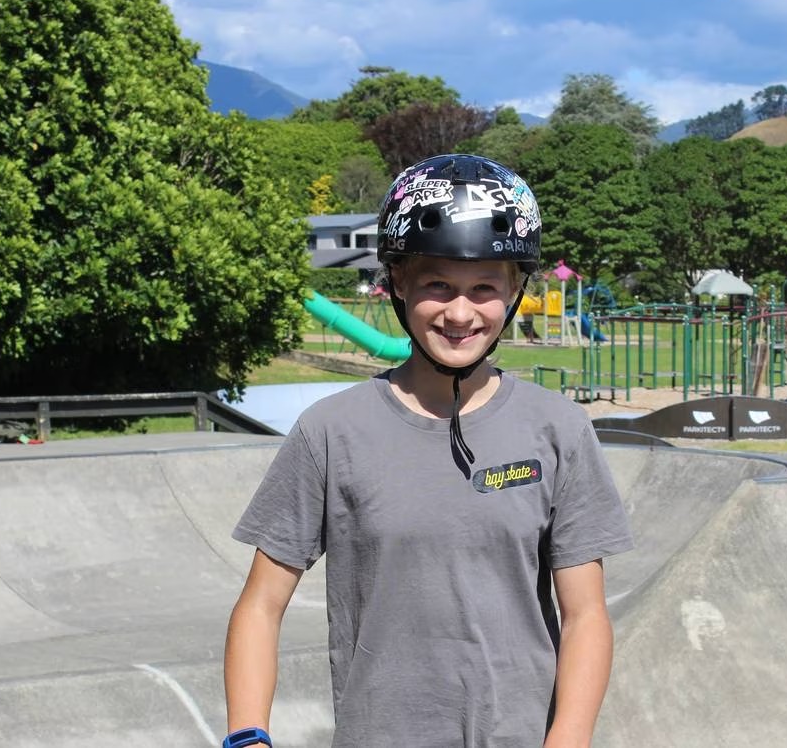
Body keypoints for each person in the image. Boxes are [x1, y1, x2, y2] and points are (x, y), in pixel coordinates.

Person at [224, 154, 634, 747]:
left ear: (515, 291)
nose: (460, 312)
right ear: (399, 285)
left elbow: (587, 615)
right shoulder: (331, 432)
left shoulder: (559, 430)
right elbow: (261, 604)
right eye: (437, 284)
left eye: (484, 288)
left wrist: (568, 739)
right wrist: (247, 736)